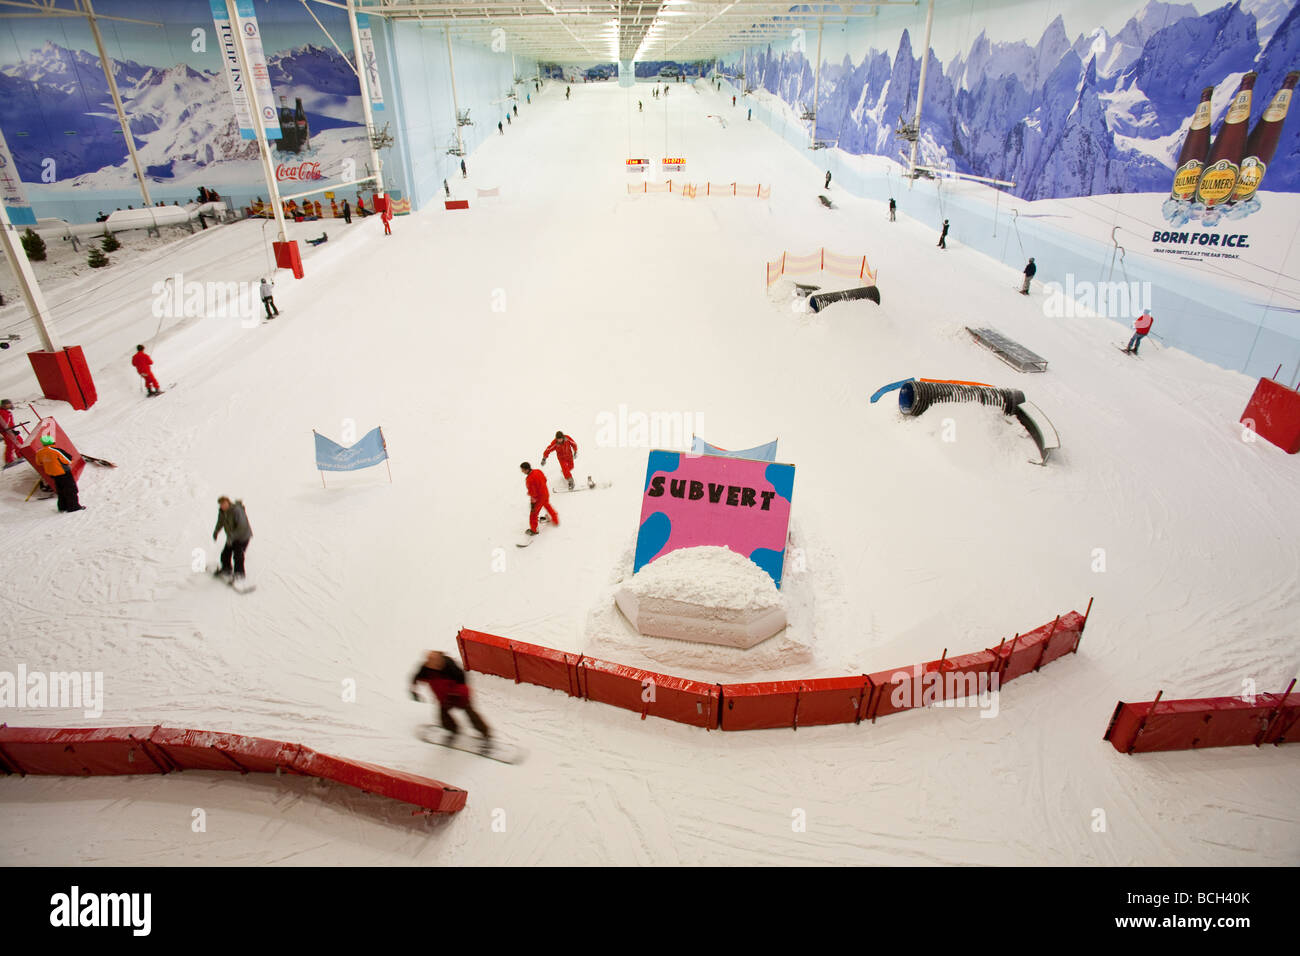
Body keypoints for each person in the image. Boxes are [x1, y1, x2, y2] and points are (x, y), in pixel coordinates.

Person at [411, 650, 492, 744]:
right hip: (444, 697)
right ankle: (453, 730)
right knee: (444, 717)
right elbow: (416, 677)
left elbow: (462, 681)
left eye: (435, 661)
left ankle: (485, 734)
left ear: (440, 659)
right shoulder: (426, 669)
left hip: (460, 696)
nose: (434, 664)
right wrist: (413, 690)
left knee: (471, 714)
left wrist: (455, 694)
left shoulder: (450, 667)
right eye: (431, 662)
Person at [35, 435, 83, 512]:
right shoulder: (56, 450)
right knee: (71, 490)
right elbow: (68, 459)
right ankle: (74, 507)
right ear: (52, 442)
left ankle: (62, 507)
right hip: (63, 472)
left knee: (60, 490)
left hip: (52, 474)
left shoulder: (39, 452)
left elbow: (39, 463)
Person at [212, 496, 251, 581]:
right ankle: (226, 569)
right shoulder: (222, 512)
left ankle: (239, 573)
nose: (223, 506)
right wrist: (216, 531)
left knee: (238, 554)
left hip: (242, 536)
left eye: (224, 503)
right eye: (221, 504)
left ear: (228, 502)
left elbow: (242, 526)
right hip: (232, 537)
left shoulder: (236, 510)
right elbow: (220, 522)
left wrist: (232, 536)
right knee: (225, 553)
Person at [520, 461, 557, 536]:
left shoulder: (529, 479)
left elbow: (533, 493)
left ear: (526, 469)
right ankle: (555, 519)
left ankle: (534, 530)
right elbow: (545, 480)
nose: (522, 471)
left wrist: (533, 504)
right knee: (547, 505)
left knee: (533, 514)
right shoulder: (538, 471)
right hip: (545, 493)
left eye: (522, 470)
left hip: (539, 498)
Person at [1, 399, 23, 466]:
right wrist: (10, 431)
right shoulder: (2, 412)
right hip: (7, 431)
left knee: (19, 441)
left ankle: (20, 454)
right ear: (5, 405)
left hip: (10, 431)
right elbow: (4, 424)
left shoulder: (6, 412)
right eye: (9, 404)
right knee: (10, 445)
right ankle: (9, 461)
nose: (11, 405)